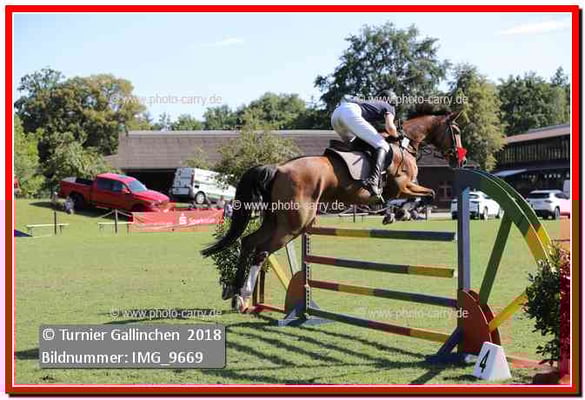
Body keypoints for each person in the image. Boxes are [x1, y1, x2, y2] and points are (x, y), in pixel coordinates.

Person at [331, 90, 399, 197]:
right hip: (350, 112)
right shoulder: (389, 107)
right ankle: (373, 180)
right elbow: (390, 127)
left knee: (354, 146)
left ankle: (349, 177)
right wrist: (396, 137)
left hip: (336, 114)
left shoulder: (372, 103)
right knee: (383, 146)